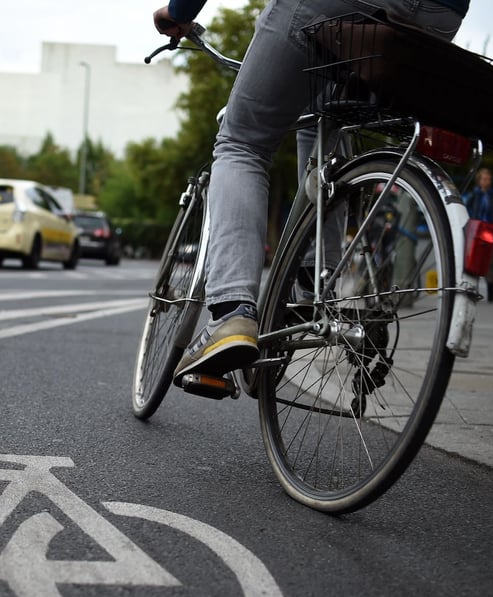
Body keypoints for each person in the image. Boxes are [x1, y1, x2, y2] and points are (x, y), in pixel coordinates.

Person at [153, 0, 468, 381]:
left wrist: (180, 11)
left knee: (243, 142)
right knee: (323, 117)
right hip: (438, 16)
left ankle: (232, 315)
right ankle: (313, 279)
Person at [463, 167, 493, 302]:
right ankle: (472, 290)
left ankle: (491, 291)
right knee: (474, 261)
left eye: (489, 179)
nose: (487, 182)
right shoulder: (474, 196)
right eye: (485, 179)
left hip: (490, 230)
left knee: (490, 261)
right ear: (479, 180)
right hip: (477, 231)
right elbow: (467, 211)